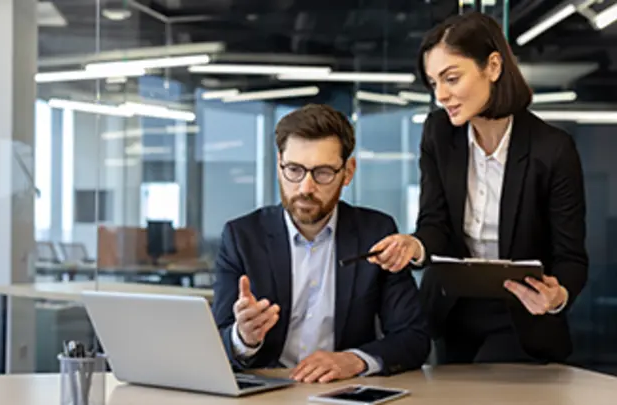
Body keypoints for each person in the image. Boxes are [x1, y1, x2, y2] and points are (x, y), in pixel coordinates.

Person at [368, 12, 588, 364]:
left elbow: (571, 257)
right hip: (451, 310)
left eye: (451, 78)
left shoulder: (552, 149)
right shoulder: (438, 134)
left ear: (494, 66)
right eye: (433, 82)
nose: (441, 95)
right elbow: (435, 225)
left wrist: (557, 295)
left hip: (522, 319)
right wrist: (415, 245)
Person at [211, 104, 430, 383]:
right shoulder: (242, 237)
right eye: (294, 170)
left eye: (323, 172)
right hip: (267, 392)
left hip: (342, 388)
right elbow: (219, 342)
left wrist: (354, 360)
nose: (305, 188)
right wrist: (244, 338)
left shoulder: (375, 232)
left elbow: (414, 337)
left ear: (348, 172)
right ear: (279, 164)